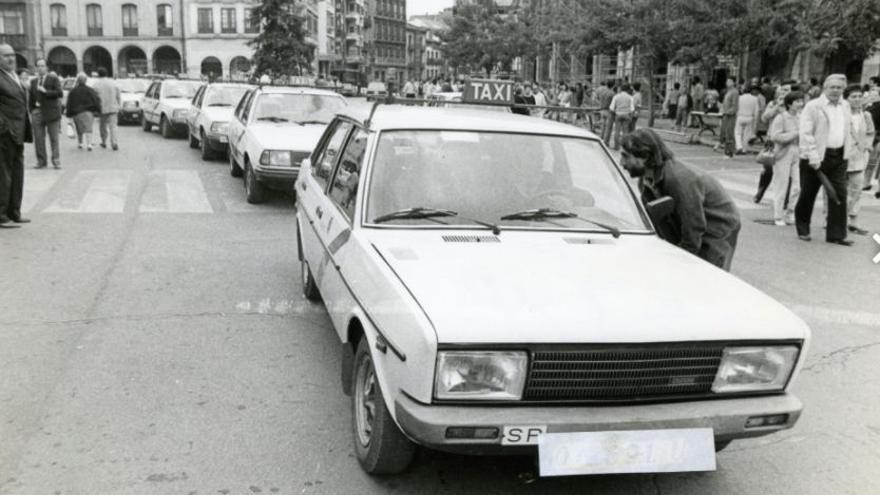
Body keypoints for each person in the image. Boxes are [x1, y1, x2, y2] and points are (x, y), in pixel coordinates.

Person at [619, 128, 741, 271]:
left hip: (718, 227)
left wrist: (680, 264)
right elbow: (657, 221)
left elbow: (693, 228)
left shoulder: (680, 180)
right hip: (695, 224)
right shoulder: (645, 180)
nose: (621, 163)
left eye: (626, 156)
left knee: (708, 274)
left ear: (644, 157)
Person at [795, 74, 854, 245]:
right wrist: (812, 156)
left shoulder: (845, 106)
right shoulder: (814, 106)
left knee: (839, 194)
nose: (836, 90)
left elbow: (847, 129)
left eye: (839, 87)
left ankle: (836, 234)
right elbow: (806, 133)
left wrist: (848, 152)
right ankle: (803, 228)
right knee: (808, 193)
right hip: (816, 157)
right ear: (825, 88)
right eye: (832, 87)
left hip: (839, 156)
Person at [0, 43, 32, 227]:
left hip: (18, 132)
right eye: (6, 56)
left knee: (17, 173)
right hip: (6, 133)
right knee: (4, 174)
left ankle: (14, 211)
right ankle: (2, 215)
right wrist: (4, 127)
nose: (11, 58)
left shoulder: (12, 75)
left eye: (12, 55)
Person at [768, 91, 805, 226]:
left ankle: (790, 212)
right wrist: (795, 134)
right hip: (783, 152)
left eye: (801, 101)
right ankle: (778, 215)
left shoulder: (802, 117)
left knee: (797, 186)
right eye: (797, 101)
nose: (800, 104)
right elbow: (775, 136)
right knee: (781, 184)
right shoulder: (781, 118)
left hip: (799, 152)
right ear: (789, 104)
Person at [843, 84, 874, 235]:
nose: (857, 99)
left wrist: (866, 146)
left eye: (859, 96)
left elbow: (870, 133)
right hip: (841, 157)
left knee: (857, 189)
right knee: (838, 190)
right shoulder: (842, 114)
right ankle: (829, 218)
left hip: (859, 157)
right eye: (853, 97)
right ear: (846, 99)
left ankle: (852, 220)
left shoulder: (866, 115)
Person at [28, 58, 63, 169]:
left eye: (42, 66)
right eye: (38, 66)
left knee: (54, 138)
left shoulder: (53, 79)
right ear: (35, 68)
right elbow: (31, 98)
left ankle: (56, 160)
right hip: (37, 112)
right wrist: (32, 110)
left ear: (47, 67)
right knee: (38, 139)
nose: (40, 68)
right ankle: (41, 161)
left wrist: (46, 91)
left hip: (51, 113)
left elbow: (59, 93)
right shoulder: (33, 81)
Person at [65, 73, 101, 151]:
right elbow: (96, 100)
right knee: (88, 128)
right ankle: (89, 144)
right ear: (86, 80)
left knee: (79, 128)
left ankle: (80, 143)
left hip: (77, 113)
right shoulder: (90, 90)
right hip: (88, 112)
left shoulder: (73, 91)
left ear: (77, 80)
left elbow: (69, 103)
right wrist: (98, 110)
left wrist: (69, 114)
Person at [91, 67, 120, 150]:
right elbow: (118, 95)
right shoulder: (113, 83)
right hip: (113, 107)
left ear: (98, 75)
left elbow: (94, 98)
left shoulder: (96, 84)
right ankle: (114, 142)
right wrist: (118, 104)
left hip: (102, 108)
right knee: (113, 126)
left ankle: (104, 141)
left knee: (102, 126)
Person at [735, 85, 760, 154]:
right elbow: (757, 111)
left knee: (737, 133)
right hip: (749, 117)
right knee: (747, 134)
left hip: (740, 116)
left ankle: (739, 146)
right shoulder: (755, 99)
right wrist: (755, 119)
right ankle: (744, 149)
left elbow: (736, 108)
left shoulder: (739, 98)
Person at [609, 83, 634, 150]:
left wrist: (615, 113)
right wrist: (631, 117)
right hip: (626, 115)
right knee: (625, 132)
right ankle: (625, 147)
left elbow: (611, 108)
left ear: (621, 89)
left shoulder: (616, 96)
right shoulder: (630, 97)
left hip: (618, 115)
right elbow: (632, 109)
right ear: (628, 89)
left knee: (617, 131)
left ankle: (616, 146)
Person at [717, 77, 738, 157]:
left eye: (729, 81)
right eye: (727, 81)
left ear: (733, 83)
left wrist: (729, 112)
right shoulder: (728, 92)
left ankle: (730, 152)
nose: (727, 82)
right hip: (725, 114)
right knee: (724, 132)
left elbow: (734, 106)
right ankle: (726, 150)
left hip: (730, 115)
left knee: (729, 133)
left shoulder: (735, 92)